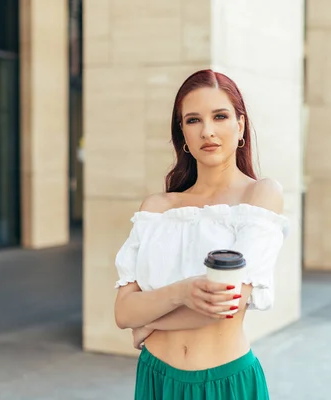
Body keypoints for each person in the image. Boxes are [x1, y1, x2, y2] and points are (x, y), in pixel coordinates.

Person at [113, 69, 289, 399]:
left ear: (240, 126)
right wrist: (182, 292)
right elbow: (123, 313)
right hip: (156, 379)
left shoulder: (260, 196)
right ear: (182, 135)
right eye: (193, 120)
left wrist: (149, 322)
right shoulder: (157, 207)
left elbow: (227, 305)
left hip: (224, 383)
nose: (207, 131)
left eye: (219, 116)